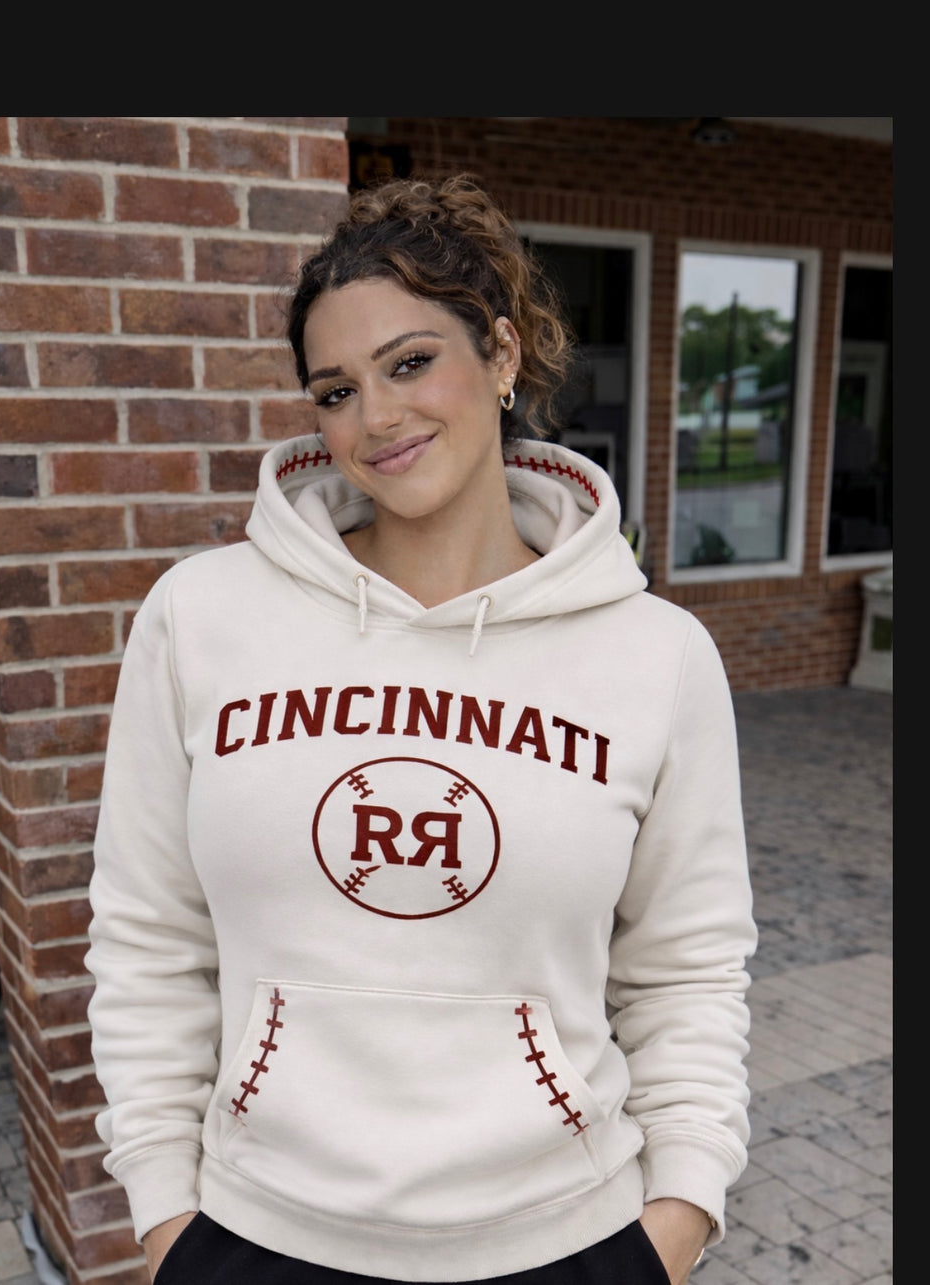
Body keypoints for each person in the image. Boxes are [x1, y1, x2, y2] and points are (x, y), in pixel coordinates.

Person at [85, 173, 757, 1285]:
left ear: (499, 357)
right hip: (259, 1238)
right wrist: (165, 1215)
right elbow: (149, 936)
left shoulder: (656, 655)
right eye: (334, 390)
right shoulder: (202, 618)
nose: (376, 419)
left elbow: (685, 972)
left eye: (409, 363)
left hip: (563, 1239)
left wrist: (674, 1220)